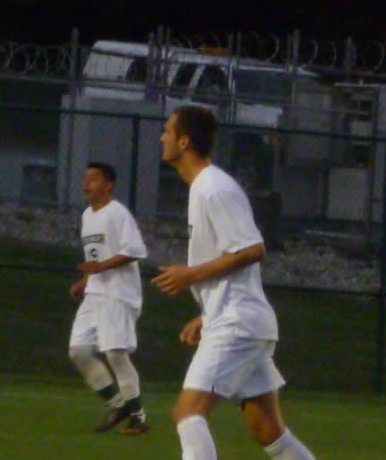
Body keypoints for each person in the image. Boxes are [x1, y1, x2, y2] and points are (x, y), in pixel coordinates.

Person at [152, 106, 315, 459]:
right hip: (239, 319)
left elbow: (253, 250)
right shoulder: (204, 187)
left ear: (184, 141)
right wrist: (207, 314)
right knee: (267, 430)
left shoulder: (213, 188)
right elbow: (234, 260)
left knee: (188, 413)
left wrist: (189, 275)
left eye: (167, 131)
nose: (162, 137)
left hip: (237, 323)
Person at [68, 162, 149, 435]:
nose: (86, 183)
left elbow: (134, 250)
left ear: (108, 185)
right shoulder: (87, 216)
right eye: (85, 178)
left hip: (118, 292)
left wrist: (99, 268)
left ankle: (138, 417)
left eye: (93, 179)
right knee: (79, 350)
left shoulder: (118, 213)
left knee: (115, 353)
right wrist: (84, 281)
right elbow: (95, 258)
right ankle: (119, 405)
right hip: (96, 292)